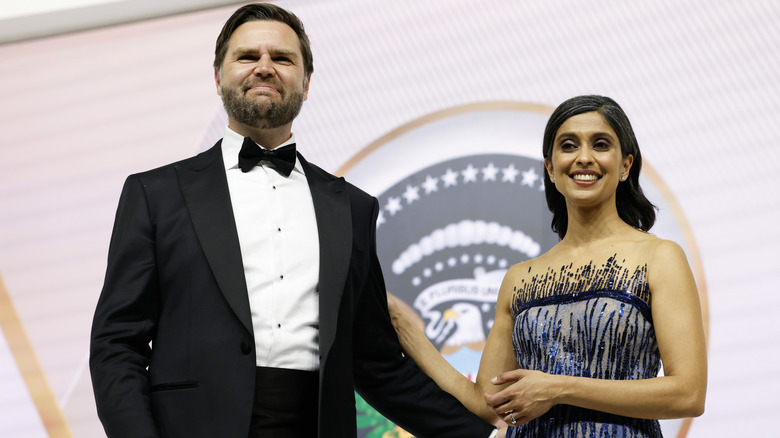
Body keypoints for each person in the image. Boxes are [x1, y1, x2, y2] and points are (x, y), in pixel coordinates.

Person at [89, 3, 497, 438]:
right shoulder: (155, 194)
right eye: (247, 56)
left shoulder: (353, 208)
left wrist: (486, 435)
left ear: (306, 83)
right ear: (217, 76)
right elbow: (118, 344)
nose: (264, 68)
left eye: (282, 59)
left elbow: (375, 363)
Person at [389, 95, 707, 437]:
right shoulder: (519, 278)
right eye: (568, 145)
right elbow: (487, 402)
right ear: (551, 168)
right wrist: (405, 327)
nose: (584, 157)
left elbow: (688, 393)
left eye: (600, 144)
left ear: (626, 165)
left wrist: (558, 389)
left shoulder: (659, 257)